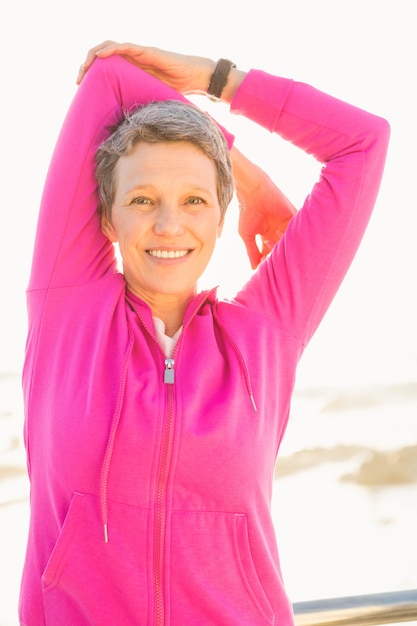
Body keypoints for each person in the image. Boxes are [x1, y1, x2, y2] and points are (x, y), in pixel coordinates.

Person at [19, 41, 390, 626]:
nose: (170, 224)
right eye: (143, 199)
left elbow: (364, 143)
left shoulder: (267, 331)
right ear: (108, 217)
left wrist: (218, 79)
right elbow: (110, 81)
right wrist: (247, 173)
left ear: (221, 216)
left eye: (195, 200)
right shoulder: (67, 311)